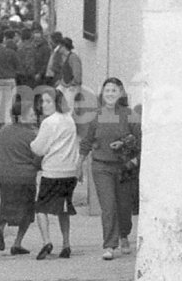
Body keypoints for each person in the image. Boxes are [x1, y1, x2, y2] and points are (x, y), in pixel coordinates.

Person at [80, 78, 140, 261]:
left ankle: (123, 235)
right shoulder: (95, 116)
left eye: (114, 90)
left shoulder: (129, 114)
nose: (110, 94)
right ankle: (109, 245)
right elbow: (86, 142)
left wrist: (123, 143)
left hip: (124, 167)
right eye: (107, 90)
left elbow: (139, 141)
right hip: (101, 167)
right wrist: (78, 165)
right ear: (102, 93)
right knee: (108, 206)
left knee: (124, 207)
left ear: (120, 93)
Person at [30, 88, 79, 260]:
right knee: (63, 209)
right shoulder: (69, 119)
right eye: (42, 102)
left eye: (48, 101)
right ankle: (66, 244)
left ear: (56, 103)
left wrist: (32, 143)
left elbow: (39, 148)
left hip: (52, 171)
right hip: (69, 171)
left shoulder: (49, 122)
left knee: (41, 208)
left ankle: (47, 241)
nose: (44, 105)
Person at [0, 95, 42, 255]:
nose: (35, 116)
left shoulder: (4, 130)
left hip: (4, 174)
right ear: (20, 117)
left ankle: (0, 228)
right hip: (25, 177)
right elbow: (38, 158)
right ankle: (17, 243)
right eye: (31, 114)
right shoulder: (33, 135)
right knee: (27, 209)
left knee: (6, 203)